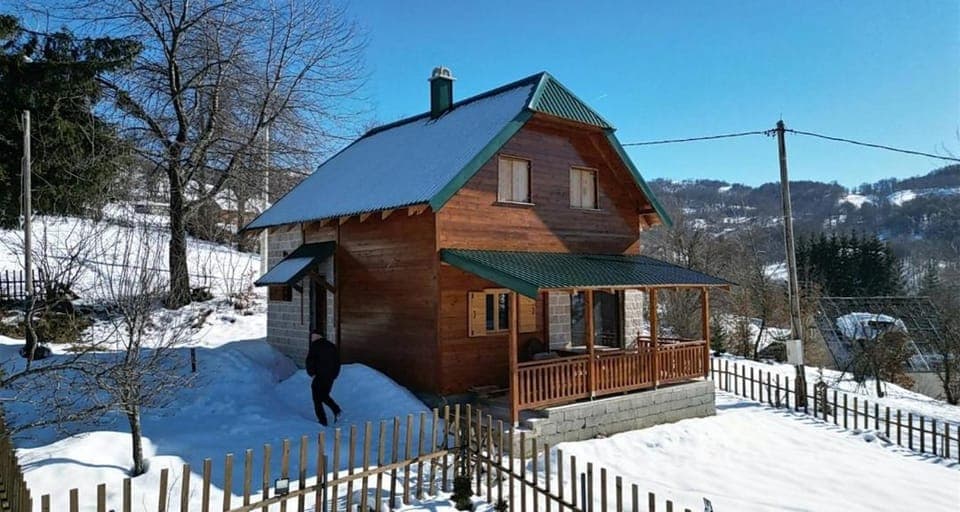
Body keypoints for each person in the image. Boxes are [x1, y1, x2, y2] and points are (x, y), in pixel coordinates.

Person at [305, 335, 342, 426]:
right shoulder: (332, 346)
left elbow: (310, 361)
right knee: (324, 396)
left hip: (319, 376)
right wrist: (334, 374)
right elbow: (337, 361)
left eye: (313, 336)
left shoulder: (315, 346)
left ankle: (323, 420)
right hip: (330, 377)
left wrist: (312, 373)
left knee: (317, 399)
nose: (311, 338)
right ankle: (336, 410)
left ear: (317, 336)